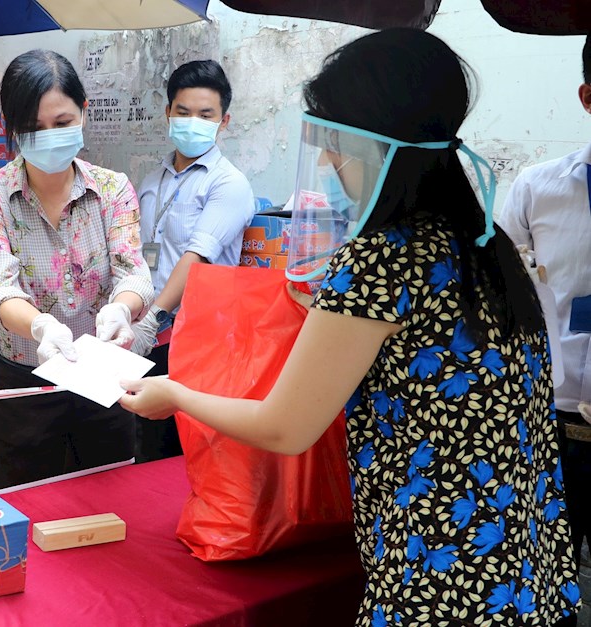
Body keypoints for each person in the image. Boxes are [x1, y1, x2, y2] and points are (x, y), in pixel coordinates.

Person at [121, 29, 580, 625]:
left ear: (377, 144)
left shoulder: (379, 259)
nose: (329, 161)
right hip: (525, 573)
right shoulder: (485, 244)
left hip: (440, 581)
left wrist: (177, 394)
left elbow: (285, 427)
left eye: (335, 141)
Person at [0, 49, 153, 490]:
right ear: (13, 128)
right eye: (34, 127)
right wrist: (42, 327)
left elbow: (132, 271)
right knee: (32, 497)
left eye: (62, 122)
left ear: (83, 112)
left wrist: (122, 309)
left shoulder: (112, 189)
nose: (49, 136)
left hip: (103, 370)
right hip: (23, 379)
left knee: (111, 491)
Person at [498, 33, 591, 588]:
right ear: (587, 97)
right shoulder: (537, 189)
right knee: (546, 587)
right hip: (551, 429)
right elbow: (502, 298)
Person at [133, 59, 256, 462]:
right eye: (183, 112)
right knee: (146, 448)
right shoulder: (152, 180)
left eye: (205, 115)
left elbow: (197, 257)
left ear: (224, 121)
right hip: (148, 336)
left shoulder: (228, 183)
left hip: (198, 340)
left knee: (186, 451)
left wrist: (153, 318)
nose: (193, 122)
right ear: (168, 113)